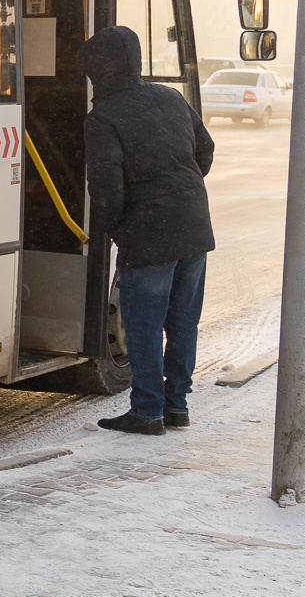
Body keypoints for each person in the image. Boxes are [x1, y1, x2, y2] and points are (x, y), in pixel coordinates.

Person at [80, 24, 215, 435]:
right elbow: (204, 150)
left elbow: (107, 188)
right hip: (193, 224)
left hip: (150, 233)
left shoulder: (103, 117)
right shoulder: (170, 98)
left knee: (142, 325)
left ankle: (146, 411)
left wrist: (112, 227)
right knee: (181, 323)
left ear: (98, 71)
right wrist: (182, 191)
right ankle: (176, 407)